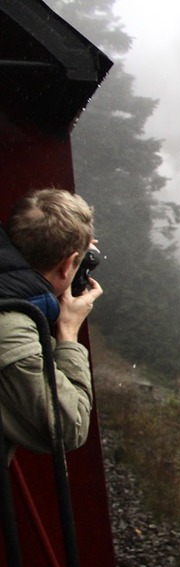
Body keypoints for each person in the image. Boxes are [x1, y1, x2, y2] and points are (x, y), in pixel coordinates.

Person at [0, 189, 103, 465]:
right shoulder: (10, 324)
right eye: (77, 262)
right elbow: (70, 428)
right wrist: (68, 334)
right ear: (68, 264)